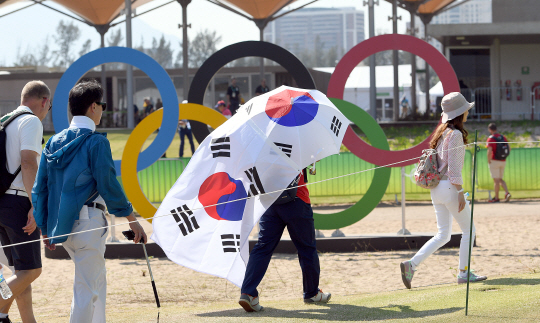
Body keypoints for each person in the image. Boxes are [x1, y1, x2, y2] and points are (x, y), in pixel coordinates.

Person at [33, 80, 147, 323]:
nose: (103, 109)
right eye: (102, 104)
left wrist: (45, 227)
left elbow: (40, 189)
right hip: (89, 225)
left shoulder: (53, 142)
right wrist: (131, 219)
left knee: (95, 283)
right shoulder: (97, 142)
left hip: (63, 228)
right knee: (87, 289)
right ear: (93, 107)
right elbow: (108, 185)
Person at [400, 92, 487, 289]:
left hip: (437, 188)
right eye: (465, 110)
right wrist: (460, 192)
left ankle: (411, 265)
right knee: (469, 231)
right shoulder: (455, 134)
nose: (467, 113)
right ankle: (464, 273)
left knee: (443, 235)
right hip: (449, 187)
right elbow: (455, 169)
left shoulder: (442, 132)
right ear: (460, 113)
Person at [239, 171, 331, 312]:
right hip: (296, 199)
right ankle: (312, 293)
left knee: (263, 247)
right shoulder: (300, 147)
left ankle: (248, 293)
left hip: (269, 200)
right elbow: (313, 157)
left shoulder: (261, 147)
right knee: (307, 248)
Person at [0, 81, 51, 323]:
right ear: (44, 101)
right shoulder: (31, 121)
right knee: (32, 270)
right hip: (19, 203)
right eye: (48, 107)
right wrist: (36, 204)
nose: (46, 111)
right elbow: (29, 163)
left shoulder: (5, 120)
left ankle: (18, 318)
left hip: (1, 202)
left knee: (19, 273)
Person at [486, 123, 511, 203]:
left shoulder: (491, 139)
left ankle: (496, 197)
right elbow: (509, 148)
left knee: (496, 181)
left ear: (490, 130)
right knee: (500, 179)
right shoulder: (503, 137)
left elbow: (489, 151)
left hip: (494, 160)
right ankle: (507, 193)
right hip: (503, 161)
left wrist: (489, 160)